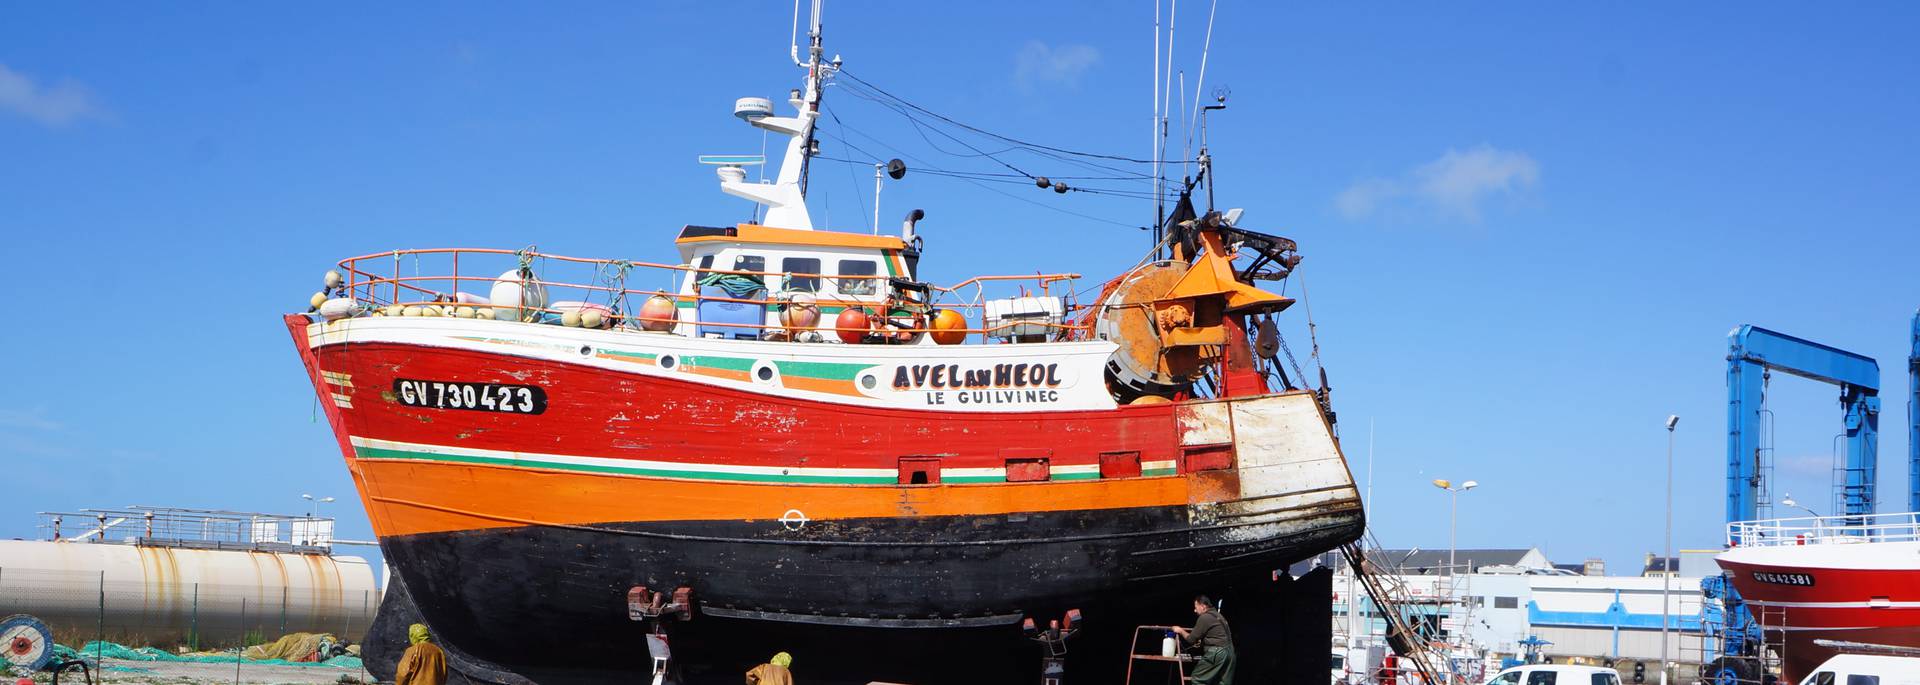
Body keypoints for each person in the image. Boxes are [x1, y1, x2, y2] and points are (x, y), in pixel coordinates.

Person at [1171, 595, 1235, 685]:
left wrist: (1180, 630)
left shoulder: (1205, 617)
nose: (1195, 610)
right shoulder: (1219, 616)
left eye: (1196, 607)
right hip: (1230, 653)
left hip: (1218, 652)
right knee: (1222, 682)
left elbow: (1191, 639)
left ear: (1203, 606)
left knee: (1197, 678)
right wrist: (1203, 643)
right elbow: (1217, 635)